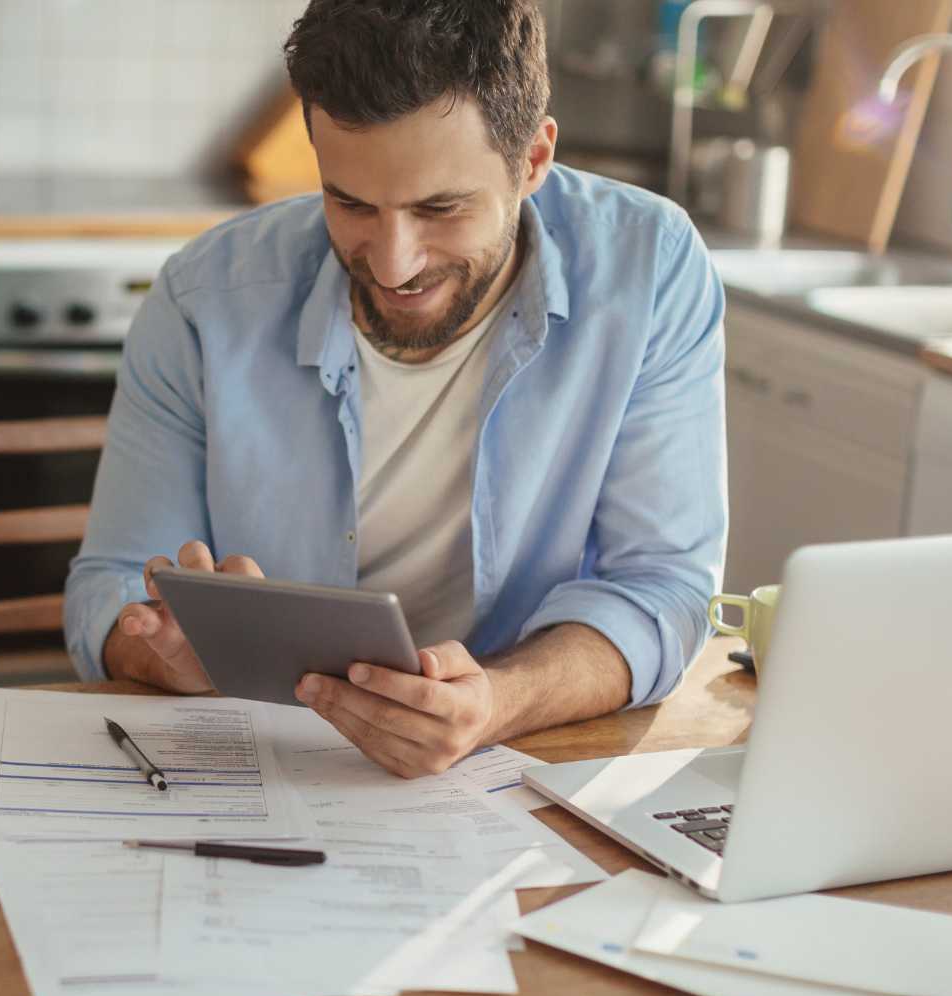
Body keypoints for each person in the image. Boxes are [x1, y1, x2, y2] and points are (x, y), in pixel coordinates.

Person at [65, 0, 727, 779]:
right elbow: (106, 588)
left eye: (438, 209)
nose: (392, 263)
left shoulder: (650, 267)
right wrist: (169, 654)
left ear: (534, 160)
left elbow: (663, 586)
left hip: (523, 767)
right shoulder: (204, 297)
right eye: (349, 203)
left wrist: (499, 701)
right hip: (269, 765)